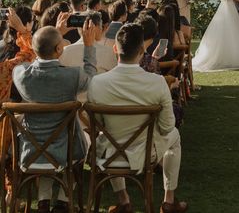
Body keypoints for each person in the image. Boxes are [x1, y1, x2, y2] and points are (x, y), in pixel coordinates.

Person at [87, 23, 187, 213]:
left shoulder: (97, 83)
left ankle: (124, 201)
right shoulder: (157, 82)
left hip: (110, 154)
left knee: (109, 137)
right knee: (174, 136)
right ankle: (169, 200)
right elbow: (167, 127)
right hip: (146, 153)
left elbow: (99, 123)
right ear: (142, 50)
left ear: (115, 49)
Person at [13, 20, 97, 212]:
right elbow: (91, 78)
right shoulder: (72, 76)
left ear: (35, 50)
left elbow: (31, 61)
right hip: (65, 151)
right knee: (86, 141)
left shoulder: (21, 75)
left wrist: (44, 44)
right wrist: (89, 47)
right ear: (59, 49)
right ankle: (62, 200)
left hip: (30, 150)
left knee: (43, 146)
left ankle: (44, 201)